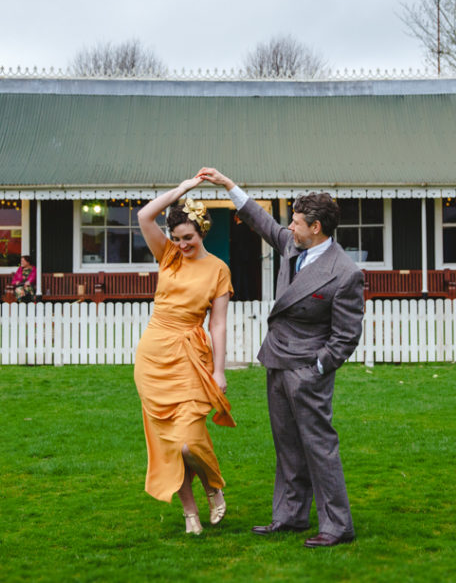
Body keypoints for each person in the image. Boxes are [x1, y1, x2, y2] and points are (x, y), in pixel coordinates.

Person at [200, 167, 364, 549]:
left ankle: (338, 525)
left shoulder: (344, 273)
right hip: (277, 360)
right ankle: (290, 516)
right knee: (287, 443)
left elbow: (346, 336)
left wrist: (317, 368)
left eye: (296, 221)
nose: (289, 226)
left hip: (307, 371)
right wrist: (227, 185)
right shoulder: (294, 245)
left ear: (317, 227)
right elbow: (261, 221)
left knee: (318, 446)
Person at [133, 176, 234, 537]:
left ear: (202, 231)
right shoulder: (168, 256)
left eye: (188, 238)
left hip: (191, 356)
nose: (181, 244)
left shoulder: (219, 270)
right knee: (169, 443)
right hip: (153, 355)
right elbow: (145, 216)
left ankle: (212, 486)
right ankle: (189, 512)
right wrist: (182, 191)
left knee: (189, 441)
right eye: (176, 238)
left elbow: (218, 325)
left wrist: (219, 371)